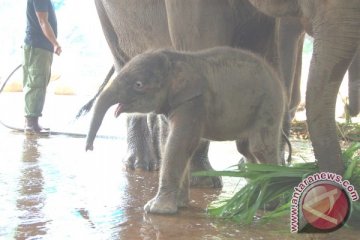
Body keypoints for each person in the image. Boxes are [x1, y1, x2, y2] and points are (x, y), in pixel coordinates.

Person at [23, 0, 61, 134]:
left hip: (37, 45)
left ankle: (31, 122)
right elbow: (43, 21)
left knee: (35, 82)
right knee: (37, 83)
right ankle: (32, 124)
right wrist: (55, 43)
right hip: (39, 46)